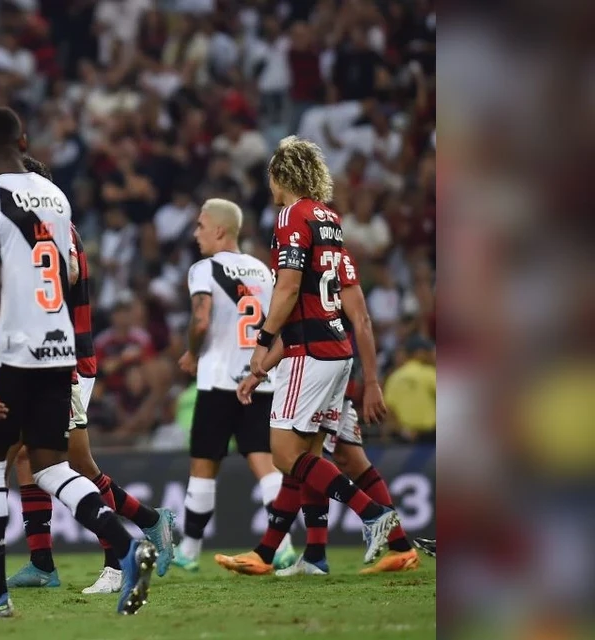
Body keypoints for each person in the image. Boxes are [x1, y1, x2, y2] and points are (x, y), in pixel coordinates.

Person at [0, 155, 173, 597]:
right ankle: (42, 562)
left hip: (63, 360)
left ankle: (125, 547)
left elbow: (39, 288)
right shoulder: (46, 231)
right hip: (45, 357)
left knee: (61, 463)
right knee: (27, 460)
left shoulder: (50, 232)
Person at [214, 136, 399, 575]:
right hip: (334, 348)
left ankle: (373, 515)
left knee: (283, 452)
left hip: (309, 352)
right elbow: (320, 299)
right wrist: (264, 365)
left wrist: (262, 341)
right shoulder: (329, 219)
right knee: (311, 453)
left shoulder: (291, 216)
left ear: (280, 176)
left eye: (271, 178)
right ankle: (313, 557)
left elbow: (290, 287)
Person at [233, 249, 420, 575]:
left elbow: (358, 320)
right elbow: (295, 332)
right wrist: (259, 370)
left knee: (299, 456)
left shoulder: (305, 259)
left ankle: (374, 524)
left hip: (319, 367)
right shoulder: (335, 259)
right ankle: (323, 554)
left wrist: (372, 381)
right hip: (330, 364)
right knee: (320, 458)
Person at [172, 198, 295, 572]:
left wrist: (192, 353)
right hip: (260, 379)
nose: (195, 234)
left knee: (204, 466)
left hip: (219, 380)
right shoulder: (262, 271)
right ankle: (284, 545)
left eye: (200, 226)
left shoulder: (203, 269)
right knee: (266, 466)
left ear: (219, 230)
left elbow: (201, 319)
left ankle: (190, 551)